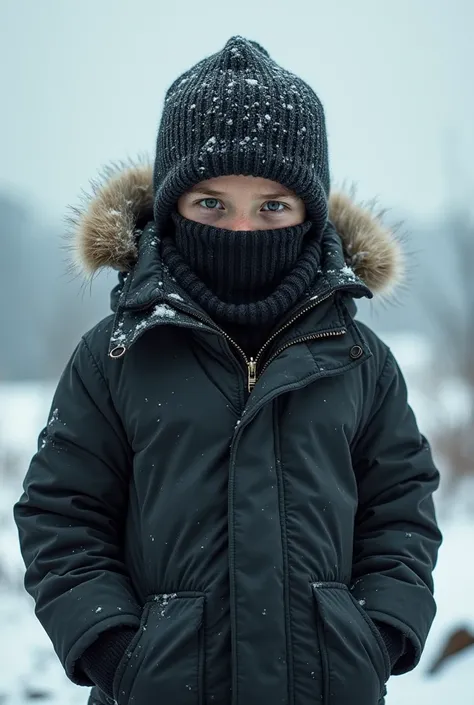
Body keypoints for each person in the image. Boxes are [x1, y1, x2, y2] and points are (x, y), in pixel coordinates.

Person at [14, 36, 442, 705]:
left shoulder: (361, 361)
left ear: (309, 213)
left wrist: (377, 633)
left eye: (272, 205)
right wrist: (116, 651)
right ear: (173, 208)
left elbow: (402, 508)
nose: (242, 229)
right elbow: (60, 515)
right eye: (212, 203)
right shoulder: (115, 355)